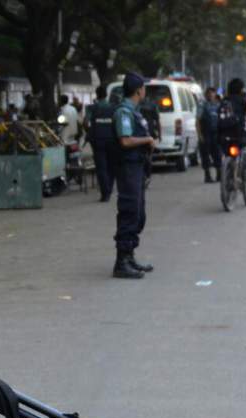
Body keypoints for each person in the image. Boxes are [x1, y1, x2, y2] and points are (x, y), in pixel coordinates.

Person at [111, 73, 155, 280]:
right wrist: (147, 139)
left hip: (137, 167)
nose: (145, 91)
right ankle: (121, 263)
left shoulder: (134, 112)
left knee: (139, 214)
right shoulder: (124, 112)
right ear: (139, 90)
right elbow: (125, 141)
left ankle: (129, 257)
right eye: (144, 88)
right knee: (129, 211)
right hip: (128, 168)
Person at [85, 85, 120, 202]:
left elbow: (86, 122)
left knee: (101, 168)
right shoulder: (113, 108)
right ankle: (109, 189)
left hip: (98, 141)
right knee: (111, 167)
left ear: (96, 95)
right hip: (112, 140)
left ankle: (105, 193)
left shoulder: (92, 108)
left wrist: (89, 133)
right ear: (106, 95)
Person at [219, 78, 246, 180]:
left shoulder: (224, 100)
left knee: (226, 152)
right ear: (241, 89)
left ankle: (227, 171)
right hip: (239, 135)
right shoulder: (242, 100)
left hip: (223, 136)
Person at [196, 87, 222, 184]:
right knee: (205, 155)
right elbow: (197, 121)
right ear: (206, 95)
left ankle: (219, 175)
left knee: (217, 154)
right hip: (205, 133)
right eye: (209, 93)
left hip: (216, 134)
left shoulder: (218, 105)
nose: (211, 95)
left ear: (215, 94)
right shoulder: (202, 105)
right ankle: (207, 176)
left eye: (213, 93)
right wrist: (200, 135)